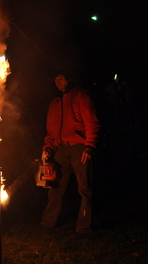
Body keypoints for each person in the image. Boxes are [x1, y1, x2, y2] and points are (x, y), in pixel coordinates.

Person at [40, 73, 101, 234]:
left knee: (84, 188)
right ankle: (48, 221)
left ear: (69, 79)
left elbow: (92, 122)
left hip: (79, 147)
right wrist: (48, 148)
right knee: (54, 185)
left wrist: (89, 146)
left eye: (61, 78)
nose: (58, 82)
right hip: (61, 148)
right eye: (55, 79)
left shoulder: (81, 97)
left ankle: (84, 226)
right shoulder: (54, 103)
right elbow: (51, 131)